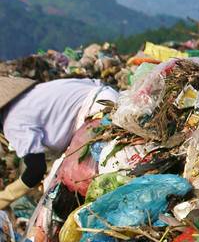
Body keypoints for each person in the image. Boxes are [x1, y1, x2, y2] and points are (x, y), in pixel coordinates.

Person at [0, 75, 117, 210]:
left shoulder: (13, 121)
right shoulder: (34, 93)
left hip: (98, 114)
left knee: (68, 191)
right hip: (108, 97)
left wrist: (4, 198)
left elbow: (36, 170)